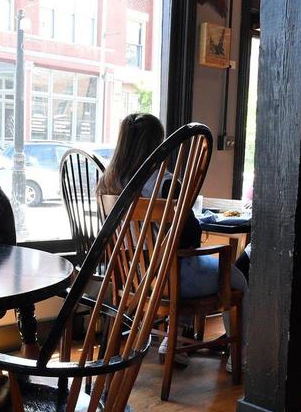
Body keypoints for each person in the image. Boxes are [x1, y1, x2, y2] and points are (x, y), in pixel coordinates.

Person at [96, 113, 248, 367]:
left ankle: (174, 339)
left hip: (129, 279)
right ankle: (238, 356)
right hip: (169, 282)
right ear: (158, 144)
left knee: (178, 261)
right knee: (237, 280)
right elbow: (190, 235)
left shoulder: (107, 184)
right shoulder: (166, 184)